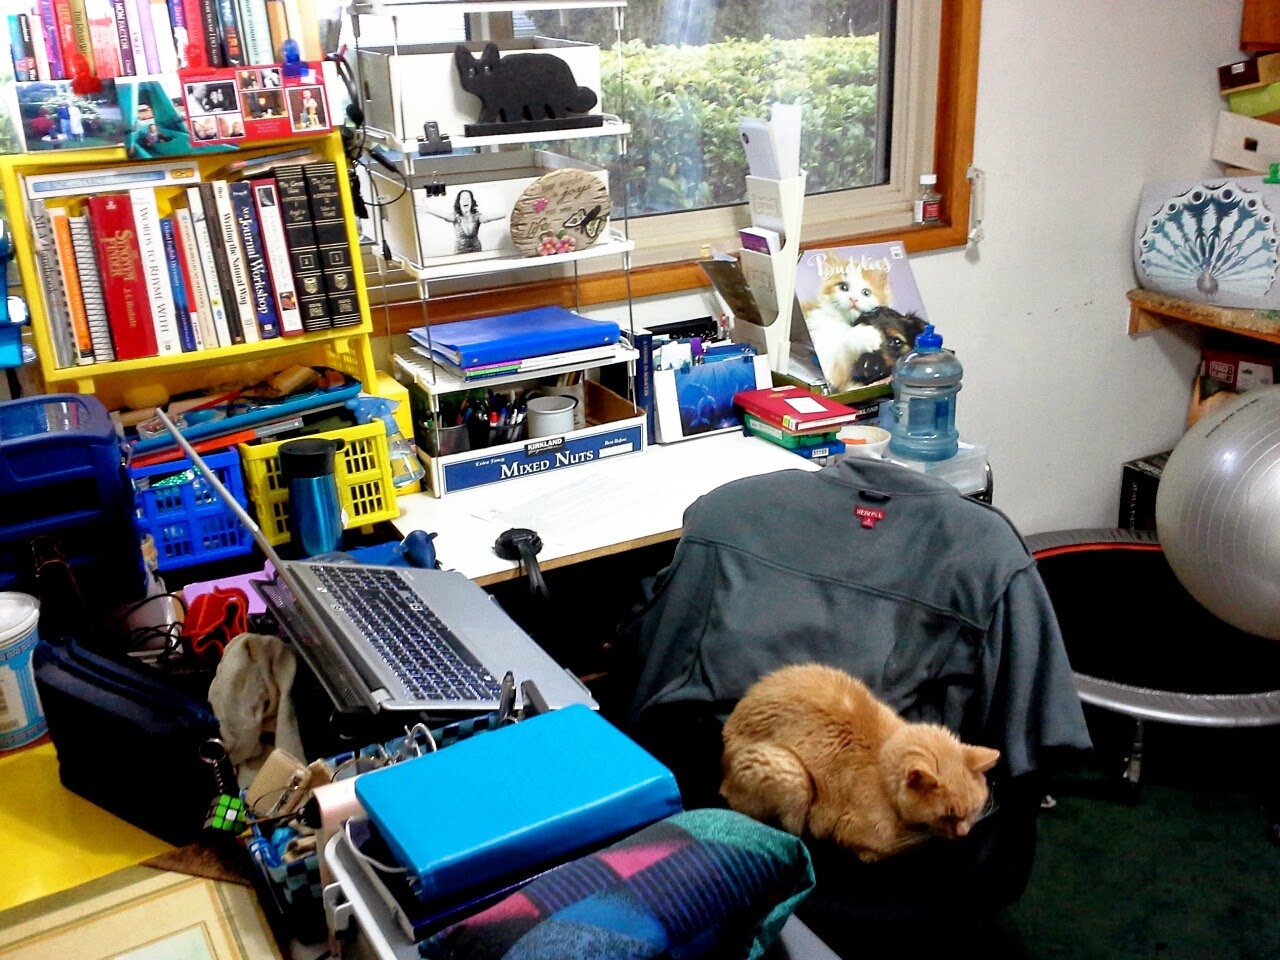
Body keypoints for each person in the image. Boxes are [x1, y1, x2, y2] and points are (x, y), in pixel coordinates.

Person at [421, 189, 505, 254]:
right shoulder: (455, 217)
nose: (465, 200)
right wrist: (428, 210)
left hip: (476, 251)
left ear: (471, 202)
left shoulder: (477, 217)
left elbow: (490, 217)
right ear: (459, 202)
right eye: (462, 198)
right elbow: (444, 215)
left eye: (468, 198)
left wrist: (508, 213)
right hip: (460, 253)